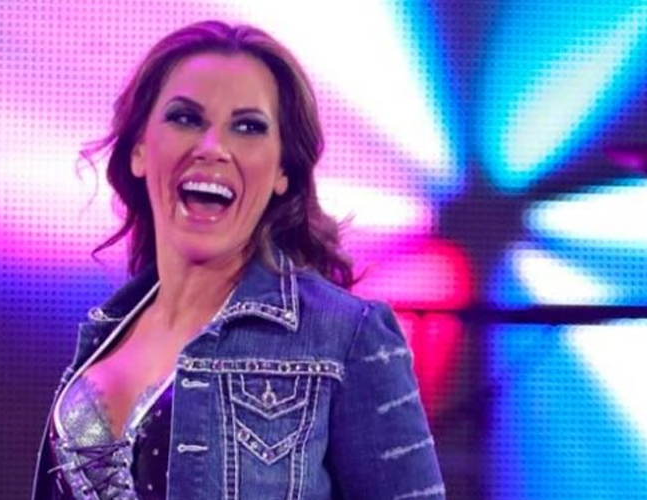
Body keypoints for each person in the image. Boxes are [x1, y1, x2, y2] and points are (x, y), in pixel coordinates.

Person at [31, 19, 445, 500]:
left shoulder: (347, 335)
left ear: (283, 170)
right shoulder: (105, 335)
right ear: (140, 150)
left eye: (248, 127)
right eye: (186, 118)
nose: (213, 148)